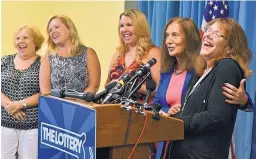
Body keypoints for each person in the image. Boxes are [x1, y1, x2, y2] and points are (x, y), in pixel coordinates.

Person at [152, 17, 252, 159]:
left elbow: (215, 117)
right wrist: (177, 113)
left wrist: (175, 121)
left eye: (217, 34)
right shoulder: (201, 71)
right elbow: (197, 111)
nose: (208, 35)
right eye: (208, 30)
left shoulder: (227, 66)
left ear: (230, 48)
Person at [1, 25, 44, 159]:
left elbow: (45, 92)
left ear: (35, 42)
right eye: (18, 38)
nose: (21, 41)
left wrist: (21, 104)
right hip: (5, 123)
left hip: (32, 126)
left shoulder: (43, 63)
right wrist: (10, 106)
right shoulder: (5, 60)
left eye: (25, 37)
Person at [105, 9, 161, 103]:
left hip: (139, 111)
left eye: (129, 25)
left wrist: (129, 85)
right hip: (112, 107)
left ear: (140, 27)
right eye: (121, 26)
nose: (124, 30)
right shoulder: (119, 53)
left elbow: (157, 89)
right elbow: (107, 83)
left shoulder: (153, 52)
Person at [40, 15, 101, 95]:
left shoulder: (88, 53)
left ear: (69, 29)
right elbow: (45, 92)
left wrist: (77, 103)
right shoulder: (48, 57)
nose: (53, 31)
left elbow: (94, 85)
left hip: (83, 105)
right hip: (56, 106)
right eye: (50, 30)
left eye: (57, 27)